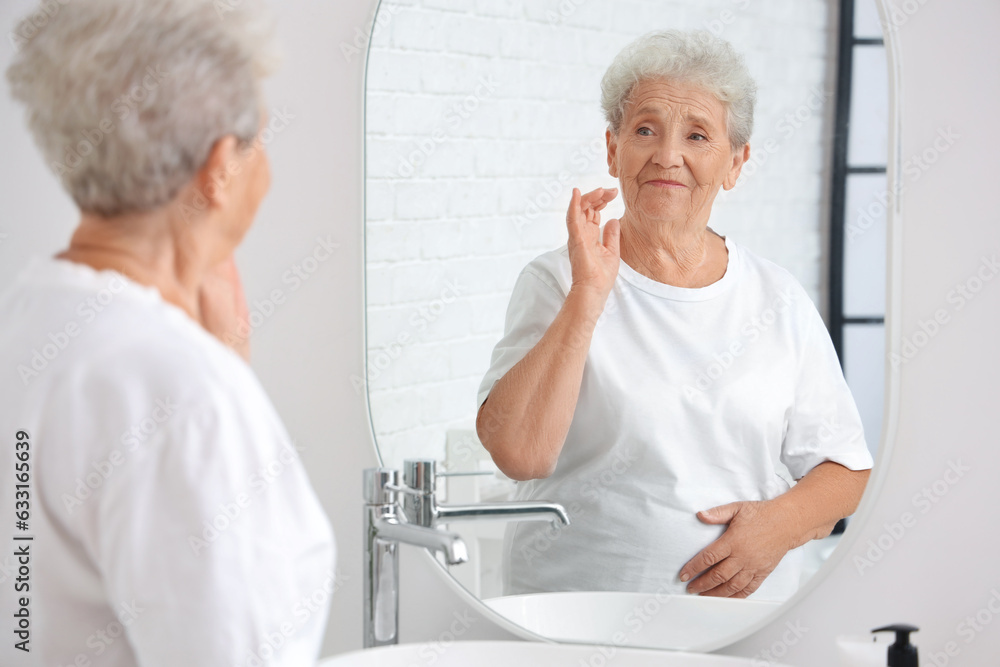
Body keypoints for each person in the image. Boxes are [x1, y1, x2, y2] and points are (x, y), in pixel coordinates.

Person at [476, 29, 873, 602]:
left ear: (735, 163)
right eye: (644, 130)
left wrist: (778, 527)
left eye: (697, 135)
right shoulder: (557, 281)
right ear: (613, 150)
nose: (668, 156)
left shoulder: (777, 298)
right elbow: (520, 452)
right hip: (579, 626)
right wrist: (589, 295)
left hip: (744, 631)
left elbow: (847, 473)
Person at [0, 1, 335, 665]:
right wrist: (214, 376)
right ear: (218, 168)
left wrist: (220, 360)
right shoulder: (185, 395)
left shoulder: (29, 318)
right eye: (259, 137)